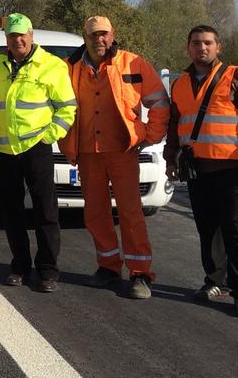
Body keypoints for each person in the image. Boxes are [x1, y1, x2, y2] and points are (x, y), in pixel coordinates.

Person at [59, 16, 169, 299]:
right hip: (87, 151)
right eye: (94, 35)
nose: (100, 40)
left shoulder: (133, 63)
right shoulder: (70, 68)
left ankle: (140, 273)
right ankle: (108, 266)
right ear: (85, 36)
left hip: (123, 150)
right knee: (95, 213)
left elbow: (158, 101)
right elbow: (56, 103)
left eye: (104, 34)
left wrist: (149, 135)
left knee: (131, 212)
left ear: (112, 34)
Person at [165, 25, 238, 318]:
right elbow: (174, 127)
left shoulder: (237, 77)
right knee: (207, 229)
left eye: (208, 43)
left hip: (232, 167)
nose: (202, 48)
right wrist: (171, 160)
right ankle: (214, 281)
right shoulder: (180, 83)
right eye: (196, 43)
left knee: (236, 230)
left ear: (218, 47)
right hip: (197, 170)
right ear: (188, 48)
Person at [0, 13, 76, 293]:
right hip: (5, 151)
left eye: (22, 34)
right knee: (11, 212)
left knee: (45, 211)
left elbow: (67, 107)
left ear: (32, 35)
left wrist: (49, 136)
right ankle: (20, 266)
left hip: (37, 148)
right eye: (13, 36)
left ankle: (48, 270)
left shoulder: (51, 66)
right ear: (6, 39)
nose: (18, 40)